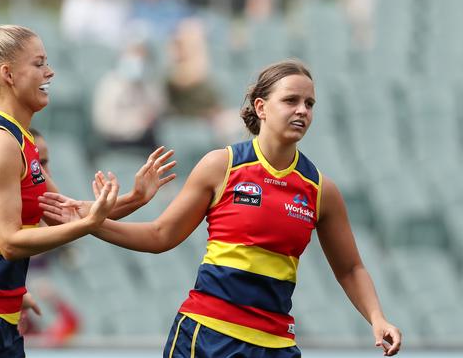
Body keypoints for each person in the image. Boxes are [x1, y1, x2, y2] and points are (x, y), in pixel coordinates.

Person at [41, 59, 402, 357]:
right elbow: (161, 234)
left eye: (309, 104)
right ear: (261, 107)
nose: (302, 111)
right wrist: (91, 223)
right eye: (291, 100)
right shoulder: (222, 165)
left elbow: (351, 268)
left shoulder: (321, 189)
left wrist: (377, 317)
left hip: (276, 345)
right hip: (207, 336)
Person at [0, 10, 175, 358]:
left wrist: (135, 198)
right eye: (39, 64)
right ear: (7, 74)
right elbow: (10, 243)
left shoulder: (19, 139)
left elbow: (65, 213)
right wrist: (87, 222)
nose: (49, 72)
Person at [0, 129, 174, 356]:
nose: (44, 171)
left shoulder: (18, 203)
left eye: (45, 162)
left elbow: (75, 213)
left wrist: (135, 197)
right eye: (38, 163)